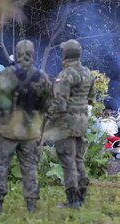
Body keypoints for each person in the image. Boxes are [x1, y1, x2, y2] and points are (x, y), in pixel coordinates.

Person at [0, 40, 51, 217]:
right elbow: (47, 105)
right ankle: (32, 207)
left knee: (0, 166)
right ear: (33, 53)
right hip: (30, 131)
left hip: (6, 130)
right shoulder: (41, 76)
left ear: (17, 53)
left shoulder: (6, 74)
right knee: (30, 167)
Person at [44, 39, 95, 209]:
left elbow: (59, 102)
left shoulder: (65, 74)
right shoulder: (88, 73)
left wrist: (48, 122)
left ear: (67, 54)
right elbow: (91, 100)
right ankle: (82, 195)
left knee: (67, 161)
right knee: (78, 159)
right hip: (81, 122)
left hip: (66, 124)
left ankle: (73, 201)